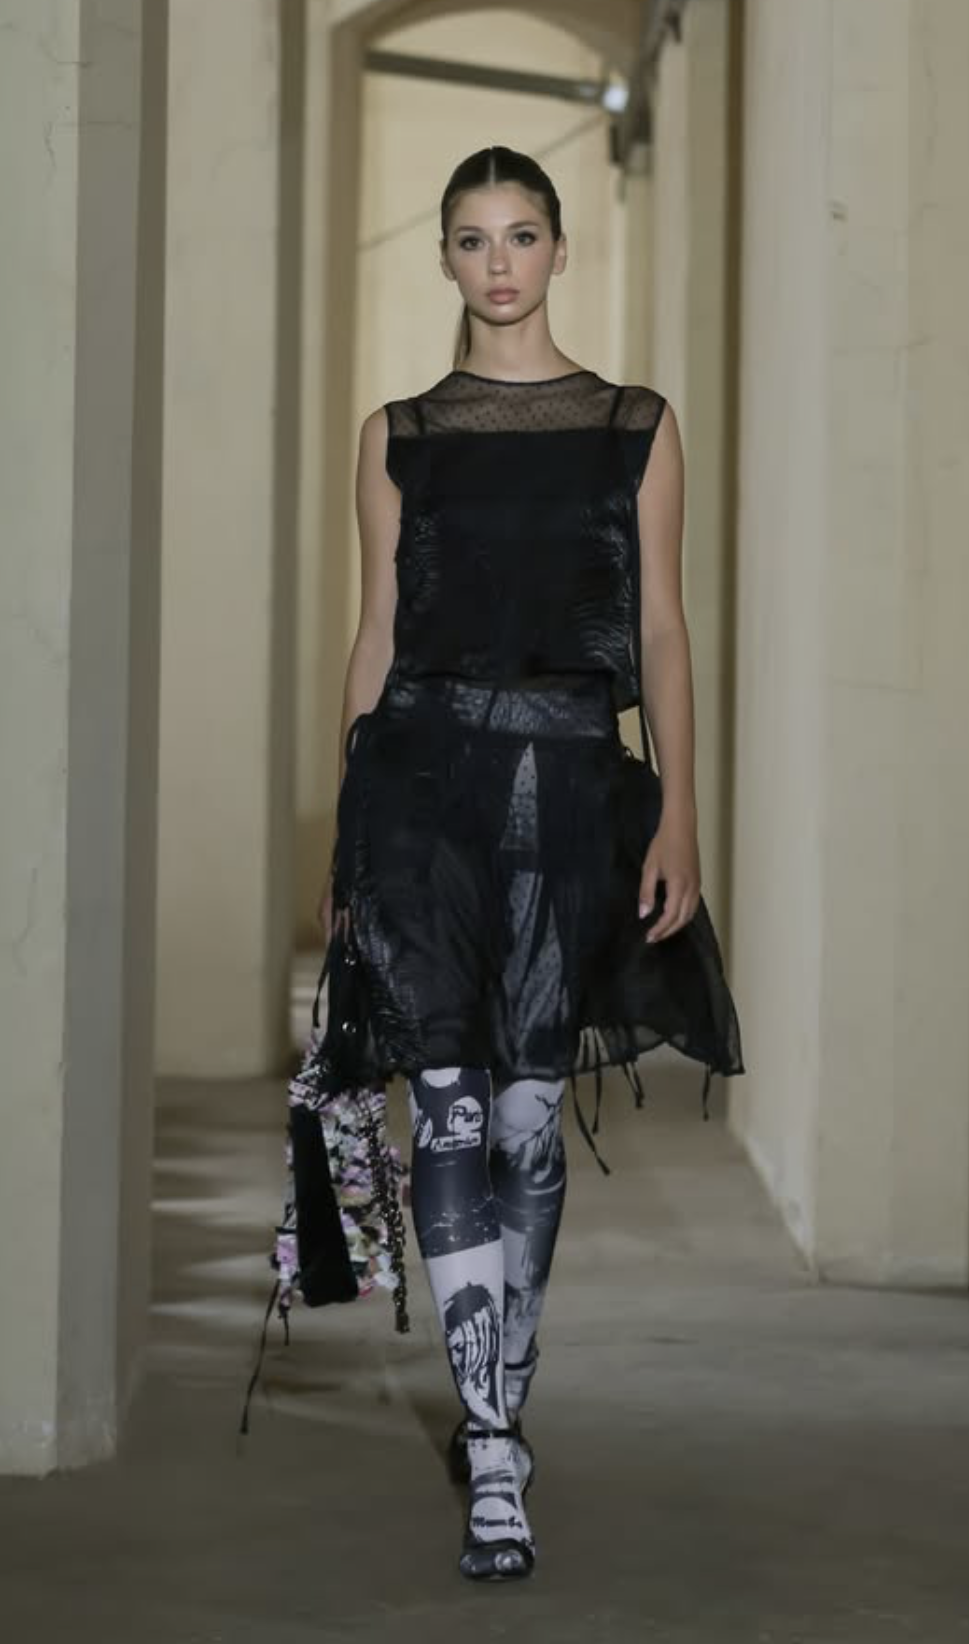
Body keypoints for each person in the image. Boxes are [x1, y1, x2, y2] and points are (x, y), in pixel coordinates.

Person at [308, 144, 744, 1583]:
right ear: (444, 256)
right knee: (443, 1111)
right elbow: (377, 634)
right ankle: (492, 1444)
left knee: (521, 1124)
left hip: (568, 795)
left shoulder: (635, 426)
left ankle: (505, 1382)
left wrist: (681, 812)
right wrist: (347, 834)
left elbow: (663, 628)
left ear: (559, 249)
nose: (498, 262)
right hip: (421, 795)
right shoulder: (396, 436)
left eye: (521, 235)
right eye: (471, 238)